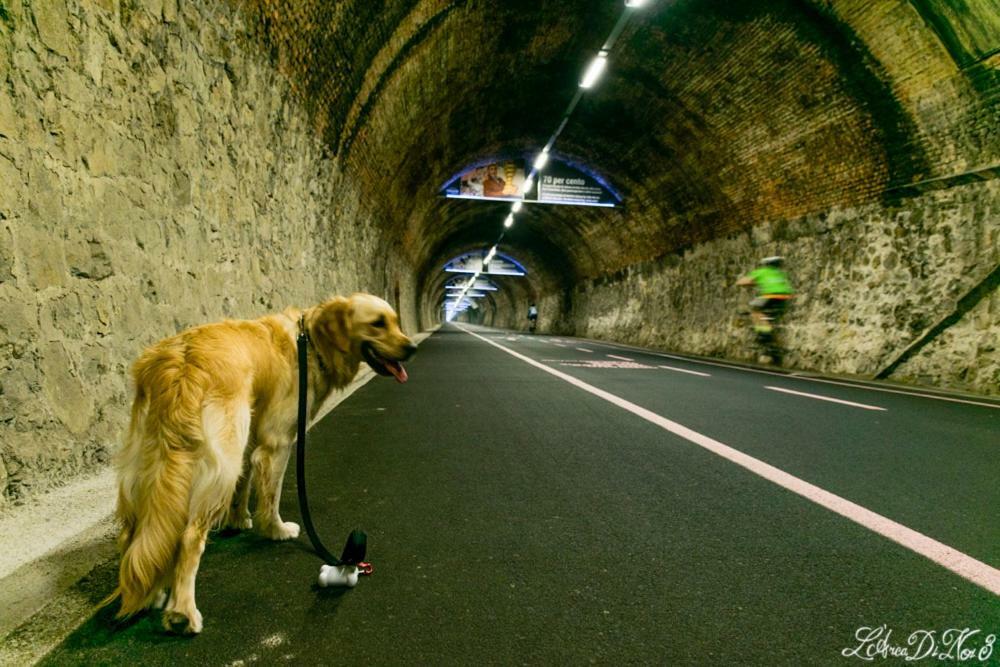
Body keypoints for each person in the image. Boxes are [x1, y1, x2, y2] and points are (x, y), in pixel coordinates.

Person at [736, 256, 794, 333]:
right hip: (785, 297)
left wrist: (747, 283)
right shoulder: (780, 273)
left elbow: (743, 282)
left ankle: (764, 333)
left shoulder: (762, 271)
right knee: (770, 312)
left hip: (770, 295)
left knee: (755, 309)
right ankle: (770, 322)